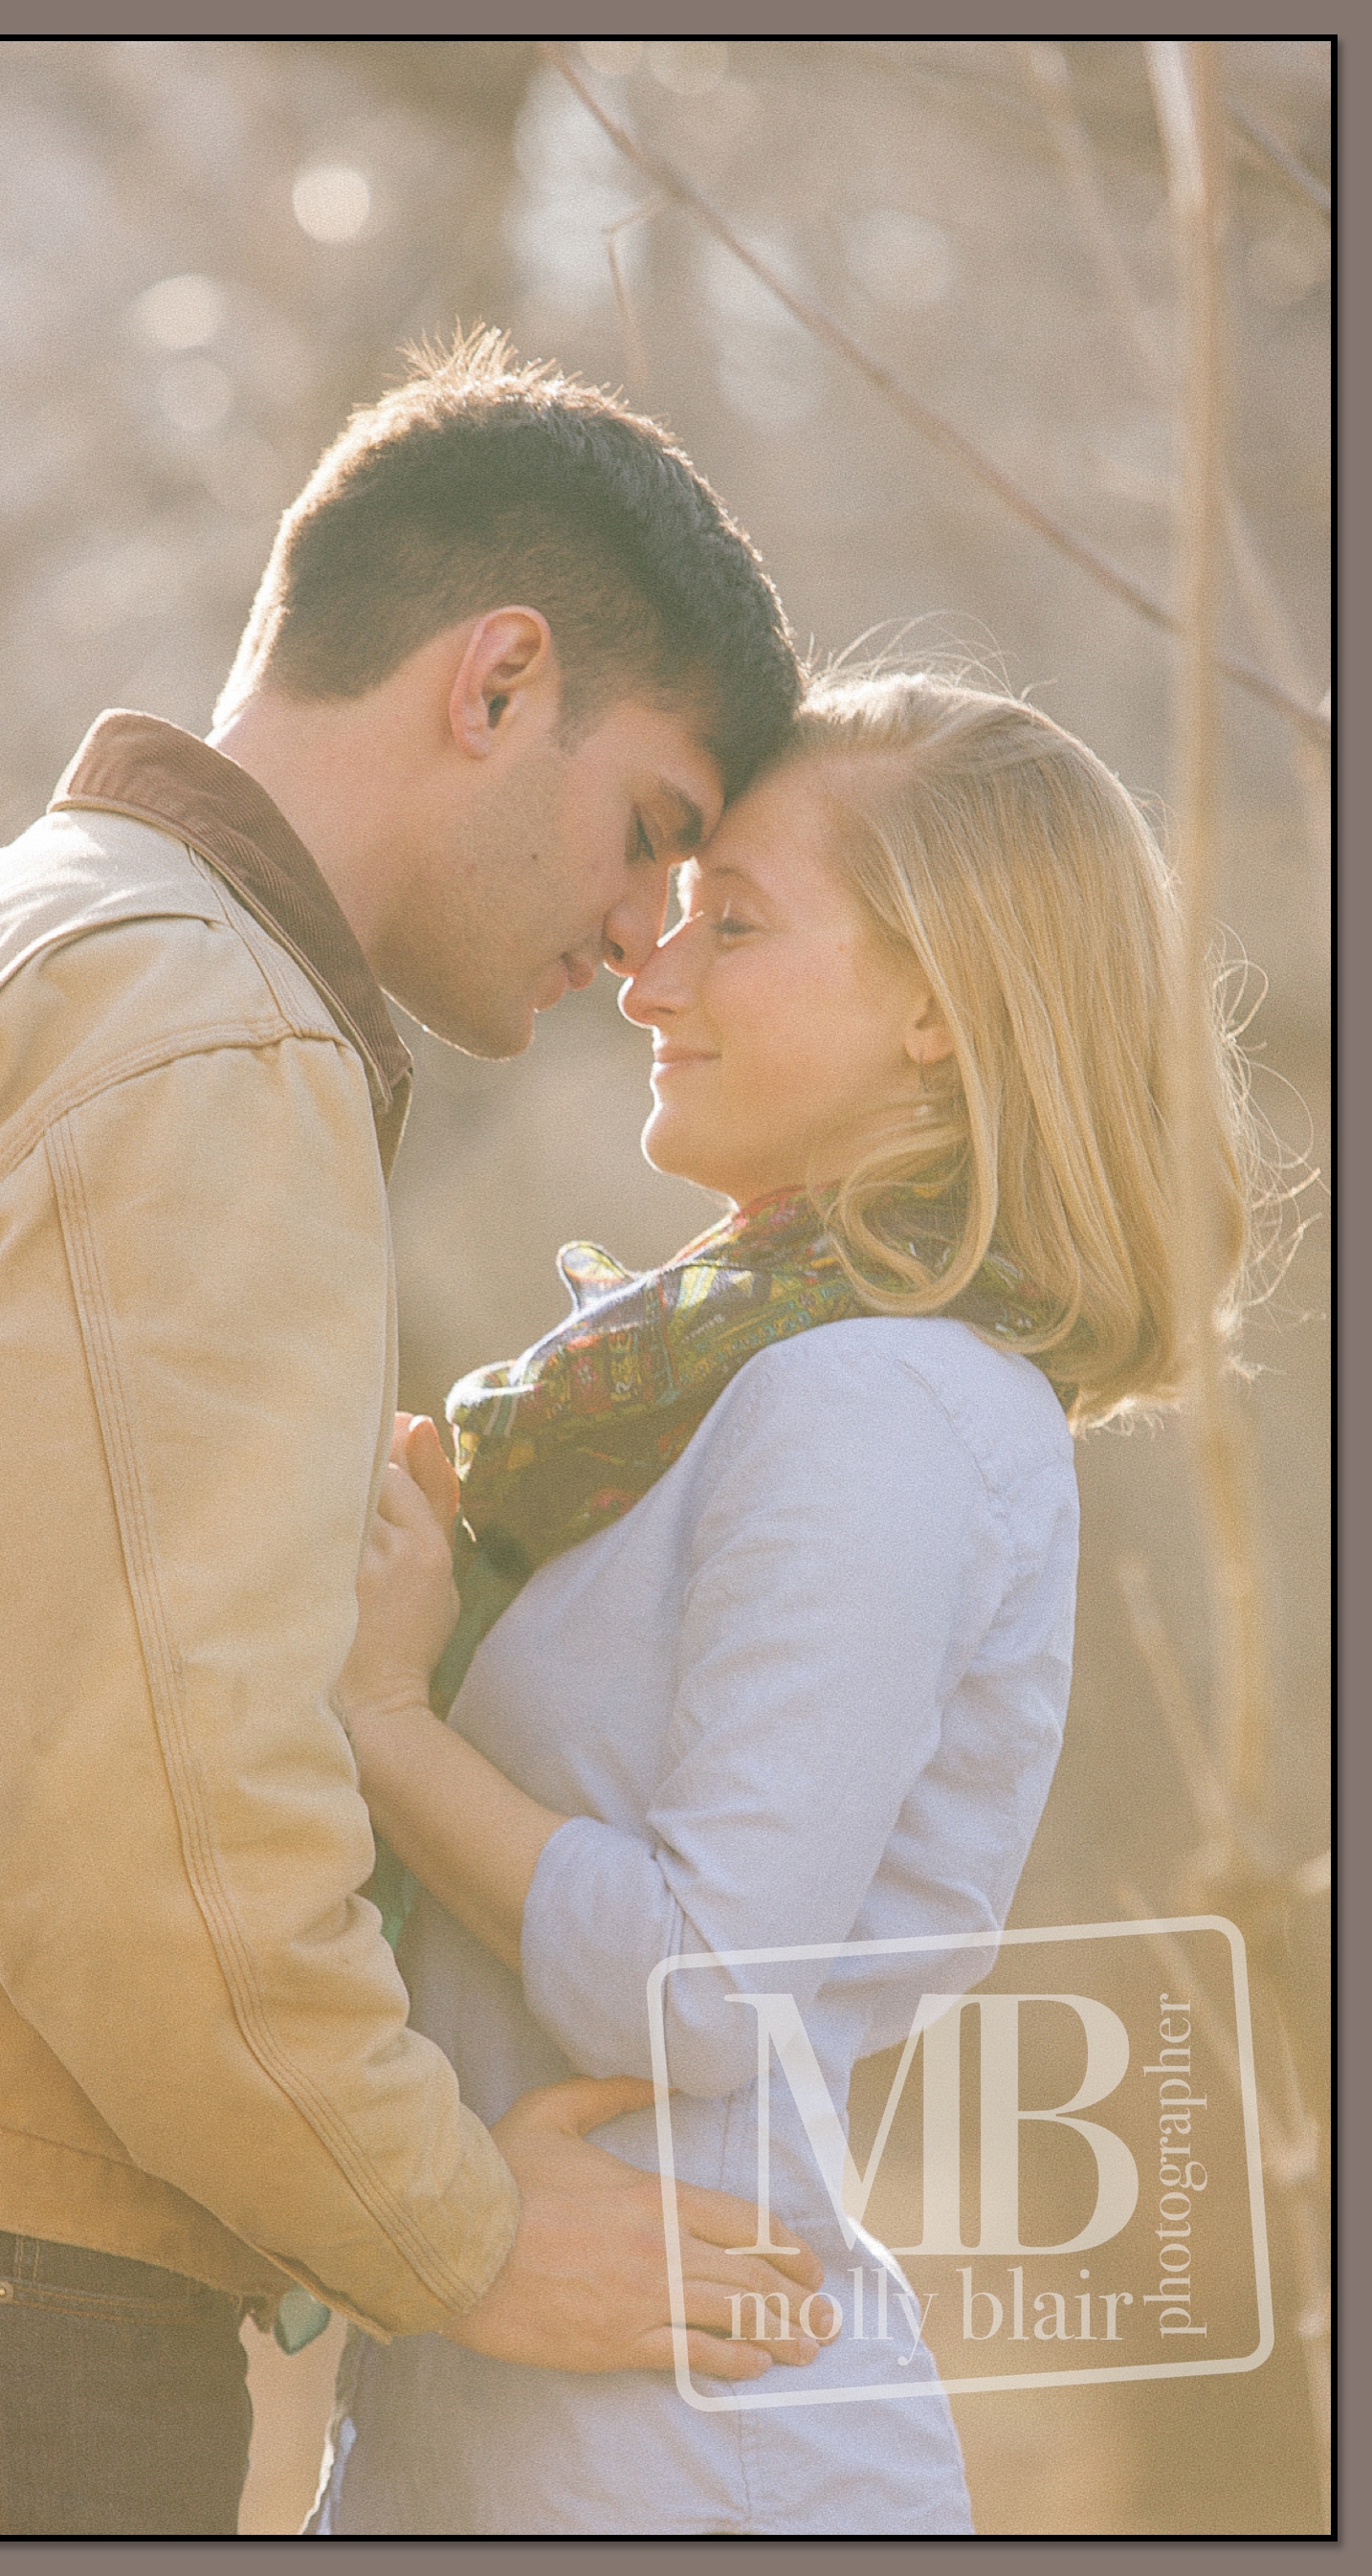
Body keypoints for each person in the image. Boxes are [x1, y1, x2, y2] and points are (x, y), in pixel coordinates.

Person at [0, 335, 830, 2540]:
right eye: (653, 831)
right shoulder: (203, 1023)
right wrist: (463, 2225)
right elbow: (142, 1813)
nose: (641, 931)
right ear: (498, 680)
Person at [319, 668, 1257, 2535]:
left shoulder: (878, 1399)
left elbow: (704, 1984)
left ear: (939, 1002)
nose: (652, 979)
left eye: (732, 924)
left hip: (692, 2464)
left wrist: (385, 1718)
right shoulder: (717, 1380)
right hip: (517, 2436)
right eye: (672, 920)